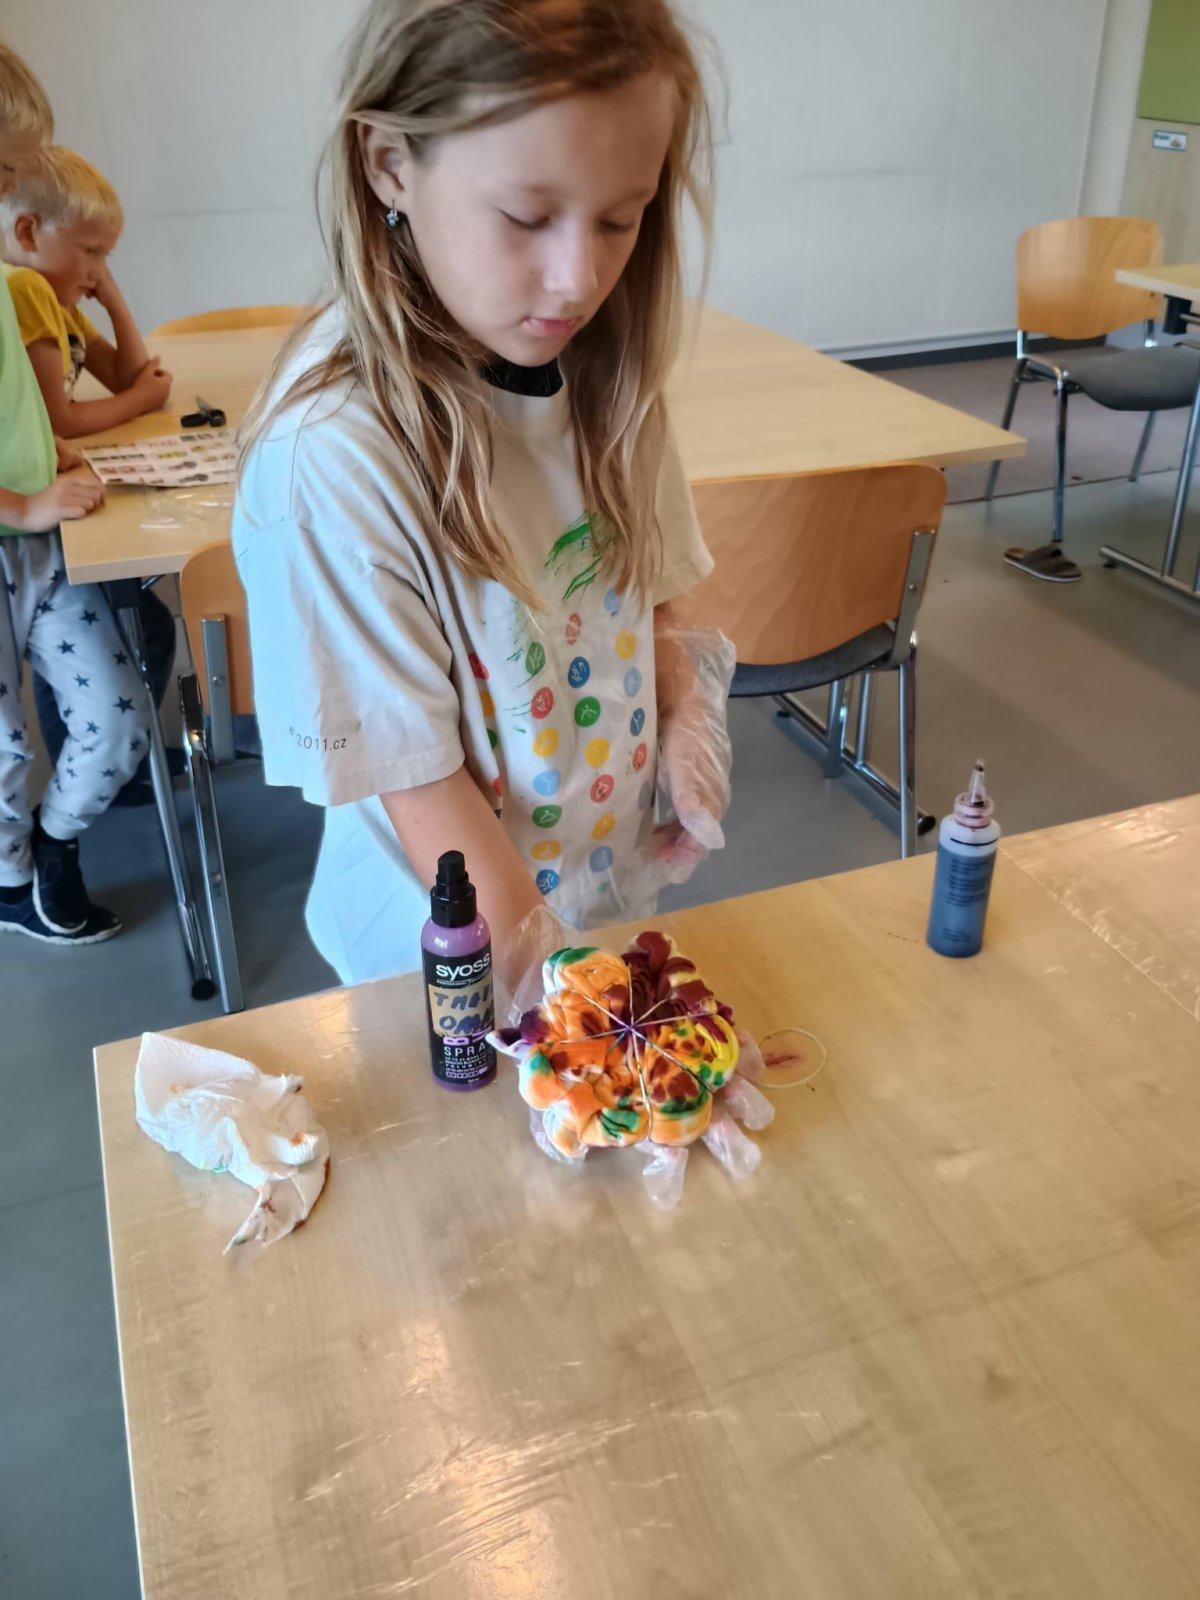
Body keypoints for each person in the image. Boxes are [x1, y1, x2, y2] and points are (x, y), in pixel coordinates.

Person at [234, 0, 731, 987]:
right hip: (449, 965)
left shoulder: (605, 374)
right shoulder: (332, 458)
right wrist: (591, 1020)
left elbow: (653, 591)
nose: (578, 278)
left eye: (620, 218)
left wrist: (685, 717)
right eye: (526, 217)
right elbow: (430, 802)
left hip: (593, 918)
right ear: (390, 164)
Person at [0, 42, 148, 944]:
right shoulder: (19, 283)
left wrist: (43, 455)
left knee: (116, 718)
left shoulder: (11, 290)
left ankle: (53, 842)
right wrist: (22, 505)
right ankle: (13, 884)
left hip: (40, 545)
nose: (8, 185)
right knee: (7, 746)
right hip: (17, 529)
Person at [0, 145, 176, 804]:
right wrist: (141, 401)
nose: (100, 267)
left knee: (136, 634)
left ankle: (103, 781)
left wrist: (111, 295)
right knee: (135, 628)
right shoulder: (24, 289)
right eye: (91, 251)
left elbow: (128, 374)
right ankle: (101, 782)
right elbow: (66, 416)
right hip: (26, 522)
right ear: (28, 233)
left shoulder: (53, 298)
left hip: (39, 510)